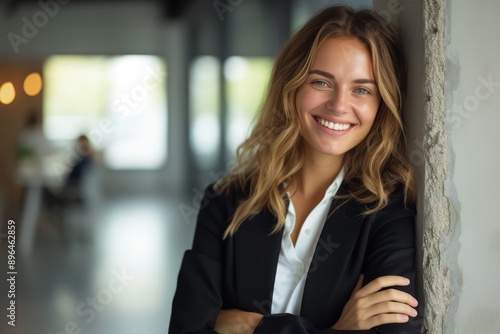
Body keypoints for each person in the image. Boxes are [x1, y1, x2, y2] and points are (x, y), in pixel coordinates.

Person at [169, 5, 419, 333]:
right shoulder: (224, 201)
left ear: (381, 103)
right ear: (292, 86)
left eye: (361, 89)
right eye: (321, 82)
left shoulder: (389, 211)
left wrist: (247, 325)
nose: (339, 105)